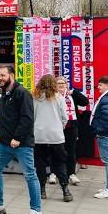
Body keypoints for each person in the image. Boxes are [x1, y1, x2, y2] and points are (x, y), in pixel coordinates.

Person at [0, 65, 42, 214]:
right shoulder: (5, 93)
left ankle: (36, 210)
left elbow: (27, 118)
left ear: (12, 75)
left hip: (21, 143)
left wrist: (17, 137)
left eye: (3, 75)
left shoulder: (22, 93)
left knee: (30, 174)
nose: (0, 78)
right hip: (5, 143)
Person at [32, 75, 72, 203]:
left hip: (39, 135)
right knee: (60, 162)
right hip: (56, 136)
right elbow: (64, 117)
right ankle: (65, 190)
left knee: (40, 163)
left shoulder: (34, 97)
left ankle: (42, 189)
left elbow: (31, 116)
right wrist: (60, 126)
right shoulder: (59, 97)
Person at [55, 76, 89, 186]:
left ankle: (71, 174)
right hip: (57, 127)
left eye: (63, 83)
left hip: (72, 127)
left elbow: (85, 102)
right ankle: (53, 173)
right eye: (58, 83)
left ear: (66, 84)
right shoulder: (53, 96)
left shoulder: (71, 95)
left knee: (71, 151)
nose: (61, 85)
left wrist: (74, 92)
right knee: (56, 150)